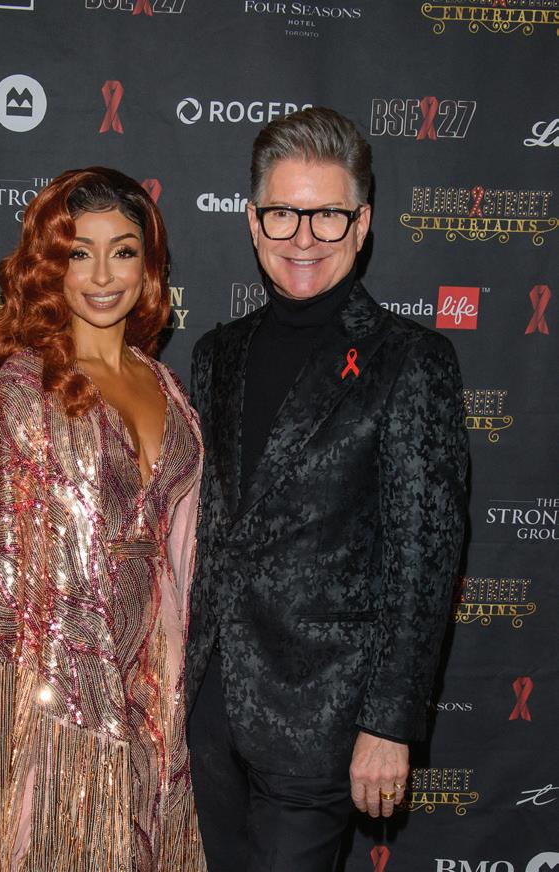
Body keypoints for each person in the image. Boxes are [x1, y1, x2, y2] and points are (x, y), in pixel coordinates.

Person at [186, 108, 468, 871]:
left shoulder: (409, 362)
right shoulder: (216, 354)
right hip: (206, 712)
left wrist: (389, 725)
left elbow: (424, 559)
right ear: (253, 222)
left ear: (362, 223)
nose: (303, 237)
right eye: (283, 212)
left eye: (328, 215)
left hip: (322, 719)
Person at [0, 167, 206, 872]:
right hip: (58, 685)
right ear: (52, 267)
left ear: (148, 266)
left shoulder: (167, 386)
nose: (103, 275)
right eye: (80, 253)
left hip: (162, 686)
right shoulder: (27, 388)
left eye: (123, 251)